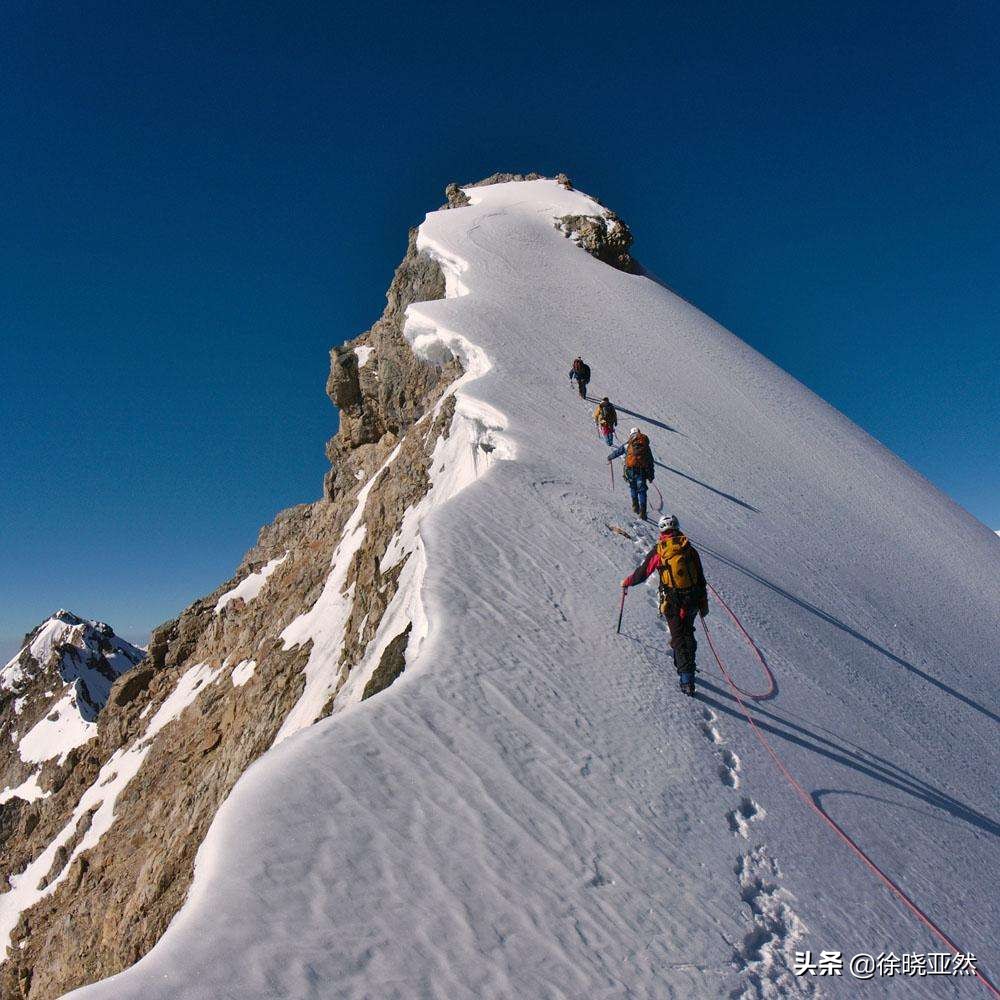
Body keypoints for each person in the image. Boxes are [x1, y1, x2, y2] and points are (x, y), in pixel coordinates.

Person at [621, 514, 708, 695]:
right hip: (692, 600)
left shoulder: (660, 550)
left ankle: (686, 680)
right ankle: (684, 665)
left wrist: (627, 582)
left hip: (673, 602)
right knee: (686, 633)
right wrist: (703, 602)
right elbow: (700, 577)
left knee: (679, 638)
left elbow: (643, 572)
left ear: (661, 530)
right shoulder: (689, 549)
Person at [608, 427, 654, 519]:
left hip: (630, 470)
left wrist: (610, 457)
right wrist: (651, 475)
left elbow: (618, 452)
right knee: (642, 491)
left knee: (633, 487)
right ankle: (643, 512)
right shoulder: (645, 446)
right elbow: (650, 461)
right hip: (642, 471)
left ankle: (635, 506)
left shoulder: (628, 444)